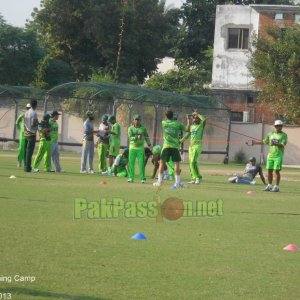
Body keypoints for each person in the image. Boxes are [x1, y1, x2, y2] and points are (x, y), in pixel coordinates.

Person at [153, 110, 190, 189]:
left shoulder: (164, 123)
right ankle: (177, 183)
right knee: (176, 164)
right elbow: (187, 129)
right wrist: (188, 119)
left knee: (162, 163)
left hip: (166, 146)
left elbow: (167, 119)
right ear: (173, 116)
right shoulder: (177, 124)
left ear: (166, 116)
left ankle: (159, 182)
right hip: (175, 146)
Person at [252, 120, 288, 192]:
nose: (279, 127)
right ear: (275, 126)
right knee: (269, 171)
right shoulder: (270, 134)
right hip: (270, 155)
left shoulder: (284, 135)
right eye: (277, 126)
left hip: (278, 155)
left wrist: (274, 143)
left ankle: (277, 187)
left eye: (280, 126)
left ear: (281, 126)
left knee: (276, 171)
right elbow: (264, 141)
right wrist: (255, 142)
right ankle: (269, 186)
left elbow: (283, 144)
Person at [180, 112, 206, 184]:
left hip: (197, 146)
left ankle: (197, 178)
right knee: (191, 163)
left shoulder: (201, 125)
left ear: (199, 119)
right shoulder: (191, 127)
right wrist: (180, 141)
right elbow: (187, 135)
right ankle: (194, 178)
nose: (194, 119)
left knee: (193, 162)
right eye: (194, 118)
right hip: (191, 146)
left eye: (196, 118)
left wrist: (197, 114)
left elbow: (204, 120)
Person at [128, 114, 151, 183]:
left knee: (141, 164)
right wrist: (137, 137)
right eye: (135, 119)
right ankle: (131, 178)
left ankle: (143, 178)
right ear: (133, 120)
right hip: (132, 148)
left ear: (140, 121)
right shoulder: (130, 128)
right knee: (131, 163)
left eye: (138, 120)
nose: (137, 121)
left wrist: (149, 145)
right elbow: (130, 138)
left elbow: (147, 137)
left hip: (140, 148)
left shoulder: (143, 128)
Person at [24, 100, 39, 172]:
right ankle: (28, 168)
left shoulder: (26, 112)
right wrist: (38, 123)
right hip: (32, 134)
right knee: (29, 152)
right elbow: (33, 124)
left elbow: (25, 123)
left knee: (26, 151)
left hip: (26, 133)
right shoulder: (34, 113)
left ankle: (25, 166)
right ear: (36, 105)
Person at [16, 103, 31, 167]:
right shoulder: (22, 115)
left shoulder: (32, 116)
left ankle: (26, 163)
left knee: (28, 149)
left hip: (29, 134)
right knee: (21, 148)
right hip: (23, 134)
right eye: (28, 108)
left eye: (30, 108)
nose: (29, 109)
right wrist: (20, 129)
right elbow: (17, 122)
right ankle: (19, 161)